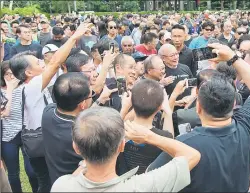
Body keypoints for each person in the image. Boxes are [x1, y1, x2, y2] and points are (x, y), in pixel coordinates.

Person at [149, 43, 250, 192]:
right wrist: (233, 58)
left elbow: (151, 179)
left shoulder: (184, 144)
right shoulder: (247, 126)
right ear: (233, 104)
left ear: (198, 107)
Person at [9, 23, 89, 192]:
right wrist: (74, 37)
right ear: (28, 73)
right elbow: (55, 62)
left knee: (46, 180)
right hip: (42, 145)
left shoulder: (27, 87)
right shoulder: (30, 87)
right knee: (47, 183)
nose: (42, 61)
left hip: (38, 144)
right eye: (37, 61)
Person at [51, 107, 201, 192]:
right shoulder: (142, 187)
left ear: (76, 147)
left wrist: (85, 161)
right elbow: (191, 155)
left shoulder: (61, 186)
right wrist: (150, 136)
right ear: (122, 146)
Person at [42, 73, 92, 185]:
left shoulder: (48, 112)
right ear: (82, 104)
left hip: (56, 181)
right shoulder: (82, 134)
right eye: (91, 95)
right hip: (77, 185)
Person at [117, 79, 174, 175]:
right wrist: (168, 112)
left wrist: (124, 109)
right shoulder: (163, 137)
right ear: (160, 107)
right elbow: (170, 142)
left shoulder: (117, 132)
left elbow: (111, 128)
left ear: (131, 102)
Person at [0, 61, 38, 193]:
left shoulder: (24, 88)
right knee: (13, 173)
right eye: (7, 74)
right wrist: (9, 89)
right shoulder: (1, 92)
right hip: (8, 136)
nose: (11, 77)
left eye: (13, 74)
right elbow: (5, 112)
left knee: (32, 170)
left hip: (26, 133)